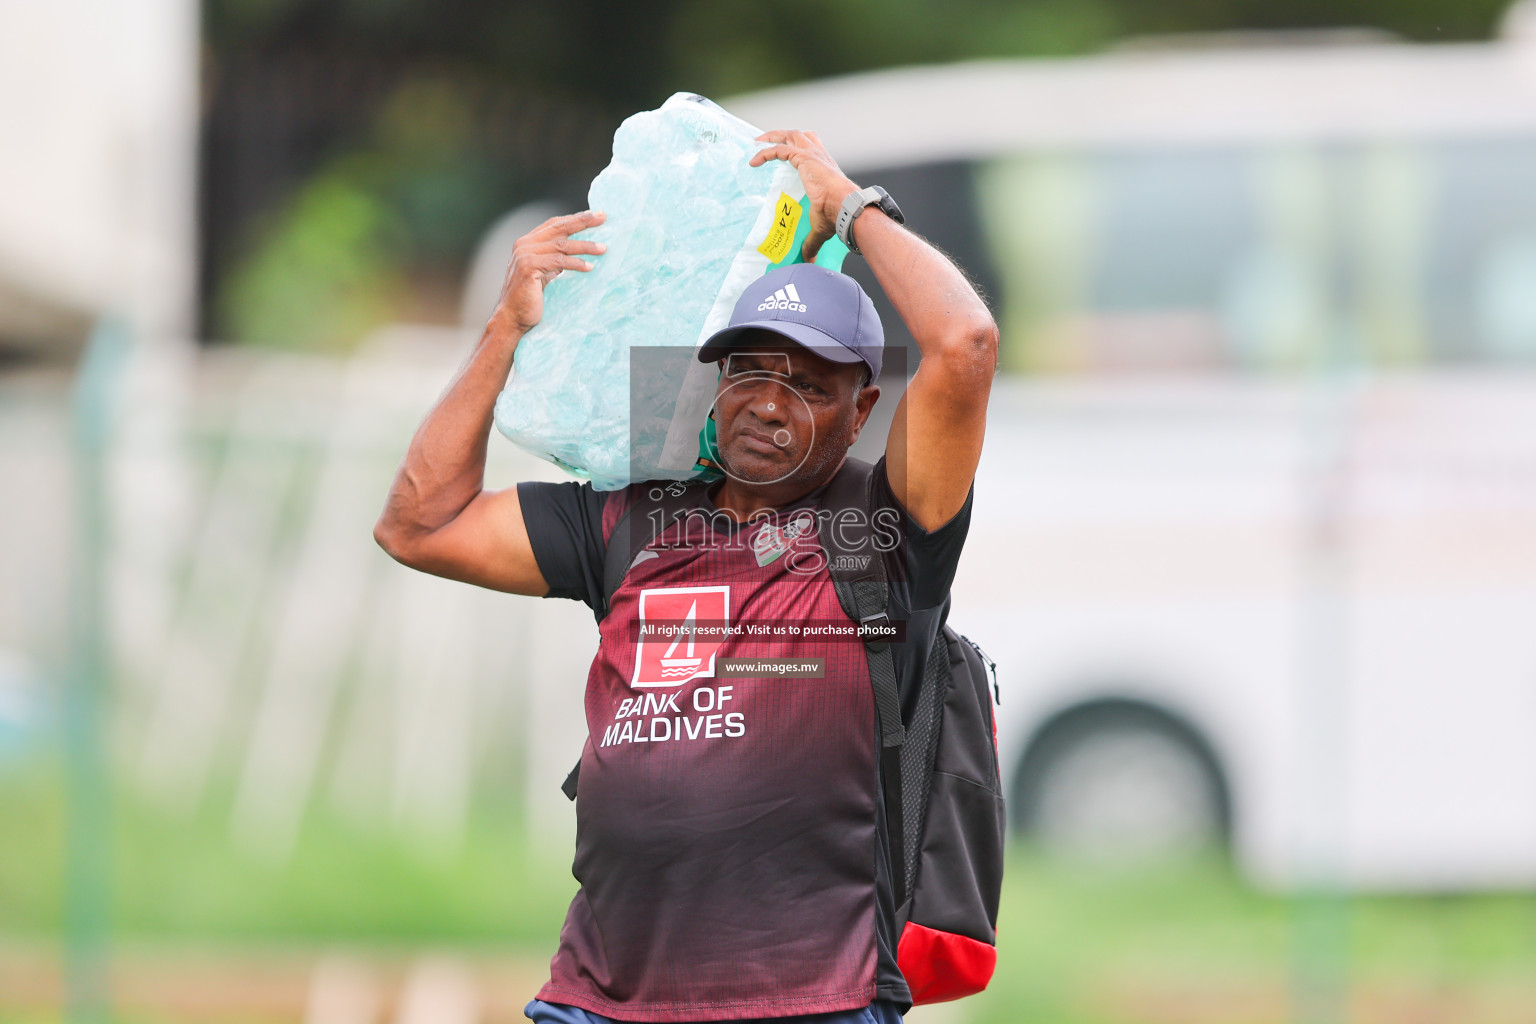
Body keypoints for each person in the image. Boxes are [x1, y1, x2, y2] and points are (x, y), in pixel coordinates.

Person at [374, 129, 998, 1024]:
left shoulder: (883, 533)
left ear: (863, 408)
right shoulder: (632, 520)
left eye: (810, 384)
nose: (770, 404)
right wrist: (507, 326)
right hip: (598, 1001)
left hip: (807, 1003)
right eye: (748, 371)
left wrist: (849, 206)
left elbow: (965, 343)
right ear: (712, 378)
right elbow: (417, 523)